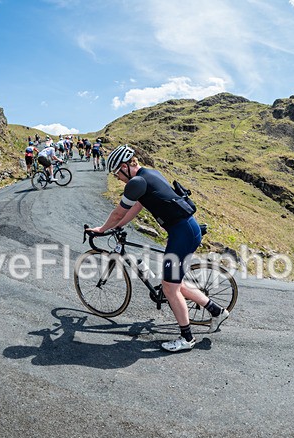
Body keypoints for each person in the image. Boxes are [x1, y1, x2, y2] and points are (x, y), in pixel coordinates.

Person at [87, 144, 229, 352]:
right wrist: (117, 226)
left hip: (182, 233)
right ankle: (216, 311)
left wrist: (101, 229)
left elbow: (118, 212)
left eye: (117, 172)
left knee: (169, 288)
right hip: (187, 229)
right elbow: (137, 206)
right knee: (174, 284)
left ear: (126, 166)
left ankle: (186, 338)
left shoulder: (135, 183)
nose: (117, 177)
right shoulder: (148, 174)